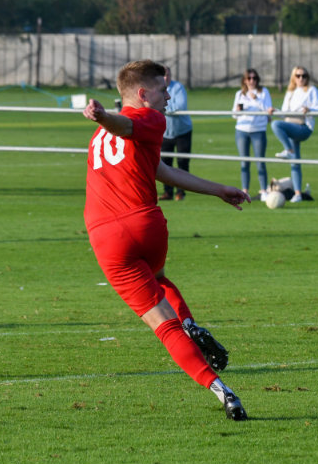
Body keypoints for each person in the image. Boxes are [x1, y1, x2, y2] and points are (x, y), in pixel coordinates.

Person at [82, 60, 251, 420]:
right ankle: (190, 326)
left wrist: (102, 119)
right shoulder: (148, 120)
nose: (169, 97)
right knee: (158, 279)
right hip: (147, 225)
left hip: (107, 237)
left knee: (163, 324)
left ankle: (223, 392)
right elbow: (150, 156)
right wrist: (219, 190)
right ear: (143, 94)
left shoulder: (103, 135)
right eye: (163, 90)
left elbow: (129, 133)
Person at [269, 66, 318, 203]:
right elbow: (284, 113)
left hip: (303, 126)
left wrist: (310, 109)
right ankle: (297, 194)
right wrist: (275, 110)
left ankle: (288, 150)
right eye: (298, 76)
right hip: (290, 125)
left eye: (304, 76)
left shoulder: (311, 90)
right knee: (295, 162)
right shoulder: (290, 92)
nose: (301, 78)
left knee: (276, 125)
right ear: (294, 77)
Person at [232, 68, 272, 201]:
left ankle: (264, 191)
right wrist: (237, 110)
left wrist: (256, 100)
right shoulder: (239, 94)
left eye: (254, 78)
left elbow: (268, 110)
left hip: (258, 130)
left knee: (260, 161)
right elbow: (234, 115)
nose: (252, 81)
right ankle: (245, 191)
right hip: (242, 130)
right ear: (244, 80)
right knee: (244, 162)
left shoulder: (263, 92)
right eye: (249, 78)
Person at [159, 65, 193, 201]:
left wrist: (161, 107)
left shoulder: (178, 87)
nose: (165, 77)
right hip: (164, 132)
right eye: (163, 75)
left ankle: (181, 192)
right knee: (165, 163)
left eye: (167, 74)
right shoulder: (155, 89)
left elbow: (180, 106)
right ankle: (168, 192)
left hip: (182, 131)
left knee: (182, 162)